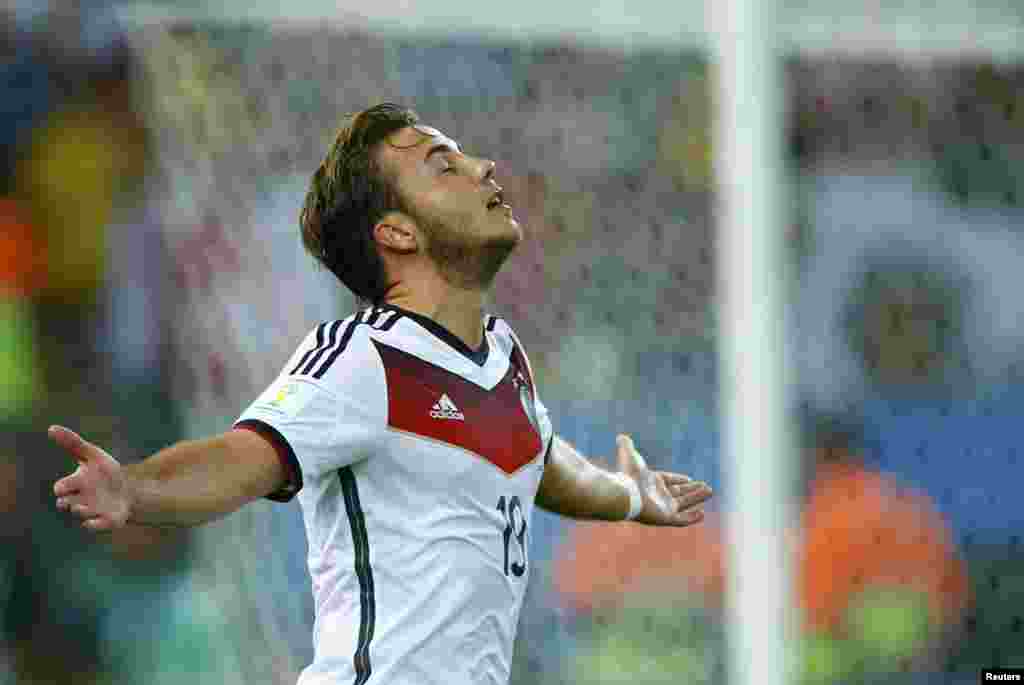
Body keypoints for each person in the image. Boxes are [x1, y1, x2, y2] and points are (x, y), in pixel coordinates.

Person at [49, 103, 713, 685]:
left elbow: (540, 456)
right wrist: (135, 489)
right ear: (398, 232)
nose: (483, 166)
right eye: (442, 164)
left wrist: (628, 493)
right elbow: (240, 456)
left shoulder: (504, 359)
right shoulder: (363, 356)